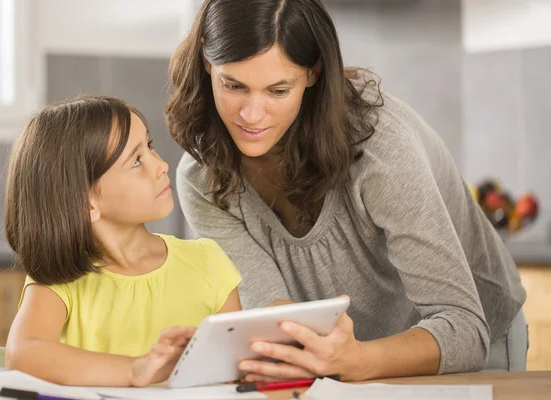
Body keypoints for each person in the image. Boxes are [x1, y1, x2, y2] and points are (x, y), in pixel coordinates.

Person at [166, 0, 527, 382]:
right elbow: (279, 322)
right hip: (345, 361)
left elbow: (465, 329)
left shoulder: (379, 146)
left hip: (473, 337)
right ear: (207, 59)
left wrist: (356, 360)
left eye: (278, 90)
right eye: (234, 86)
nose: (252, 115)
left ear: (313, 73)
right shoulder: (203, 180)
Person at [4, 95, 242, 386]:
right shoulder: (59, 280)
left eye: (150, 147)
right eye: (136, 161)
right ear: (87, 202)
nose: (161, 166)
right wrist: (135, 369)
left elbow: (234, 374)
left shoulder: (208, 262)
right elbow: (22, 353)